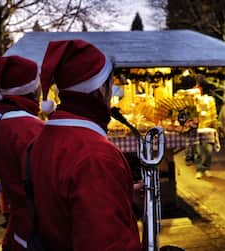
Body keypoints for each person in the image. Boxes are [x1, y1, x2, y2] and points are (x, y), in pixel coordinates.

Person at [29, 40, 141, 250]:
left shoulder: (48, 133)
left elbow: (67, 199)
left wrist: (120, 191)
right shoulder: (96, 155)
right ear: (100, 89)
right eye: (111, 85)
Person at [0, 55, 44, 250]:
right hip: (35, 226)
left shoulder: (0, 117)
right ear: (31, 89)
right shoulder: (29, 127)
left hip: (19, 220)